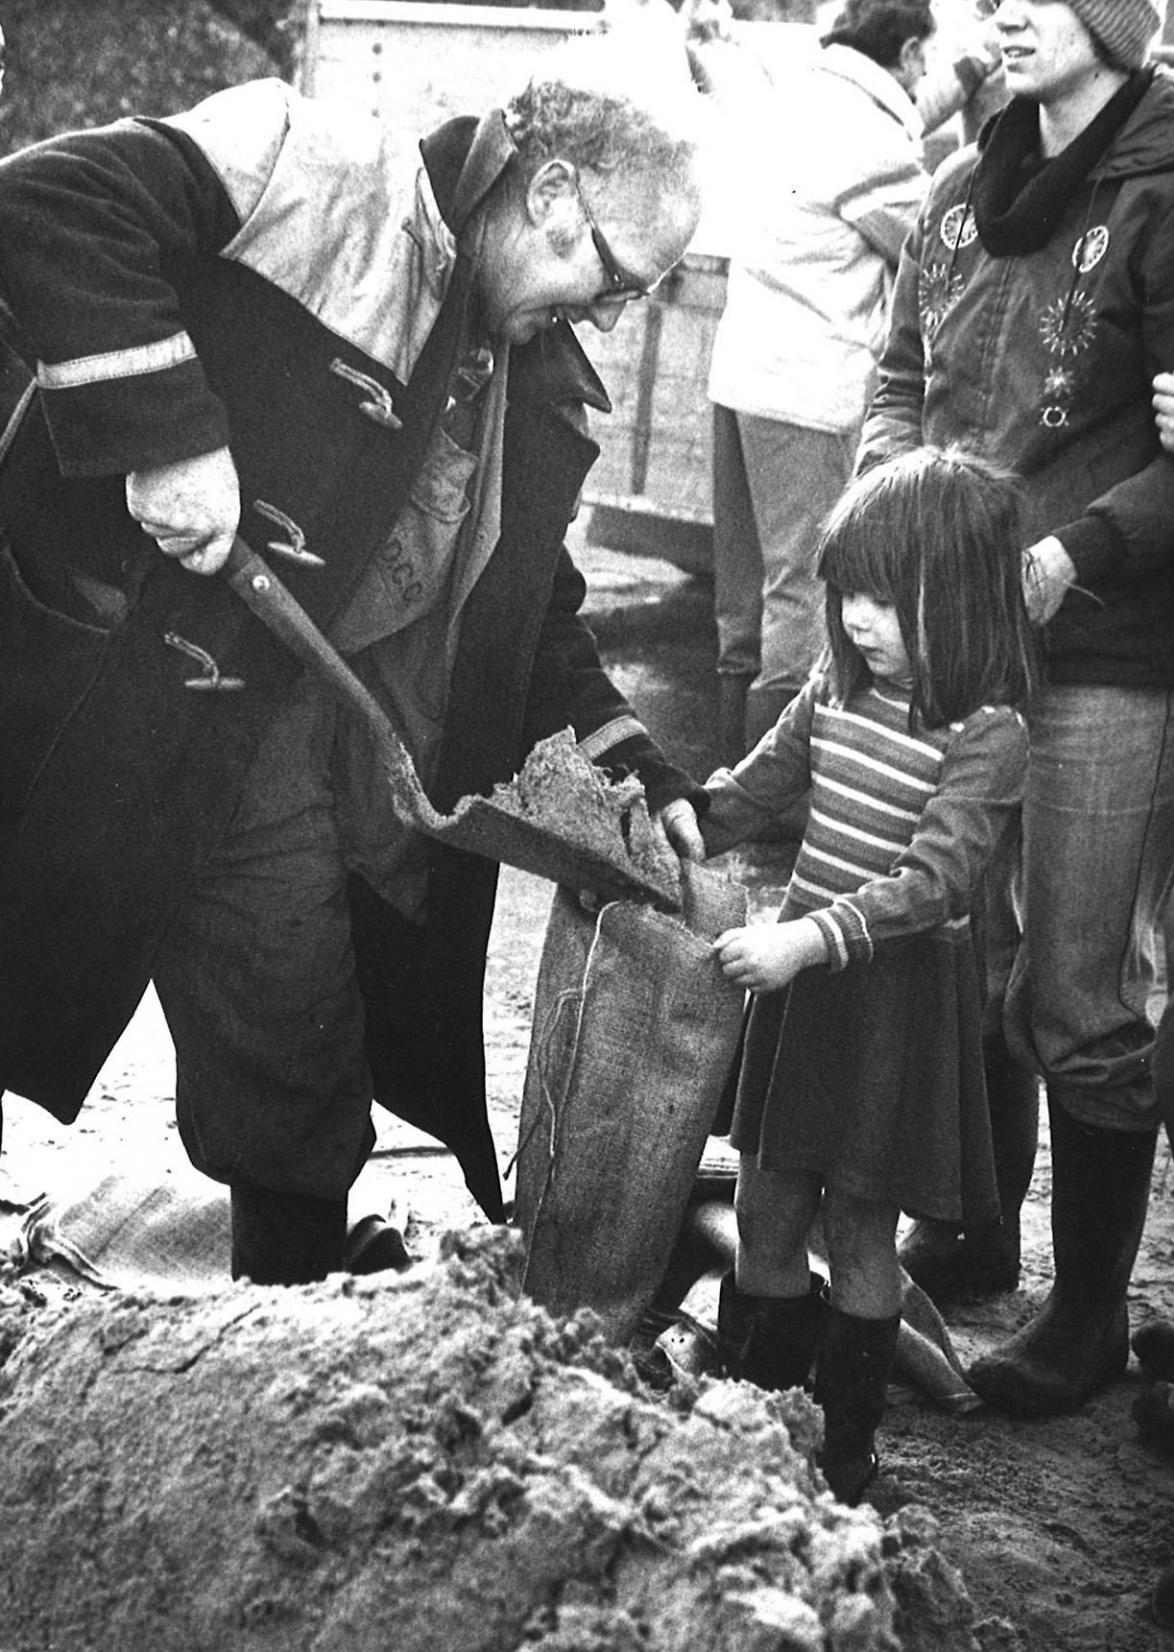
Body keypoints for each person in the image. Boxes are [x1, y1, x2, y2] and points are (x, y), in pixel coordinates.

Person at [0, 49, 710, 1286]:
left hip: (258, 732)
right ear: (549, 191)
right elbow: (52, 203)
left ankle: (293, 1365)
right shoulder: (313, 169)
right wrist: (166, 437)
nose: (607, 317)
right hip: (85, 677)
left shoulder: (530, 386)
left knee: (297, 1059)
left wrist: (637, 765)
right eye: (612, 278)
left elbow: (526, 613)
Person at [857, 0, 1174, 1414]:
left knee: (1075, 986)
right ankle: (977, 1225)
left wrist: (1069, 556)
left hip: (1113, 650)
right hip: (970, 645)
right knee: (955, 938)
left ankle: (1092, 1315)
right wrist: (903, 506)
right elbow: (895, 383)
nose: (1001, 6)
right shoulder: (956, 191)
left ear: (1121, 18)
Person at [663, 446, 1038, 1502]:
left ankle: (841, 1452)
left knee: (861, 1225)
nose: (860, 620)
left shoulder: (990, 736)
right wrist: (692, 809)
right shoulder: (836, 683)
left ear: (962, 605)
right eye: (850, 595)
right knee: (772, 1201)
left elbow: (933, 882)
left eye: (887, 600)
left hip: (890, 1011)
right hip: (807, 996)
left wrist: (800, 939)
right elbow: (761, 784)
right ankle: (747, 1408)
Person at [706, 0, 944, 766]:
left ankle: (723, 773)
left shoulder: (796, 96)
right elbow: (933, 250)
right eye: (928, 62)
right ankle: (770, 797)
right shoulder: (872, 138)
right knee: (803, 593)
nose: (929, 77)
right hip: (806, 392)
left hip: (738, 374)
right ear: (904, 53)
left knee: (741, 598)